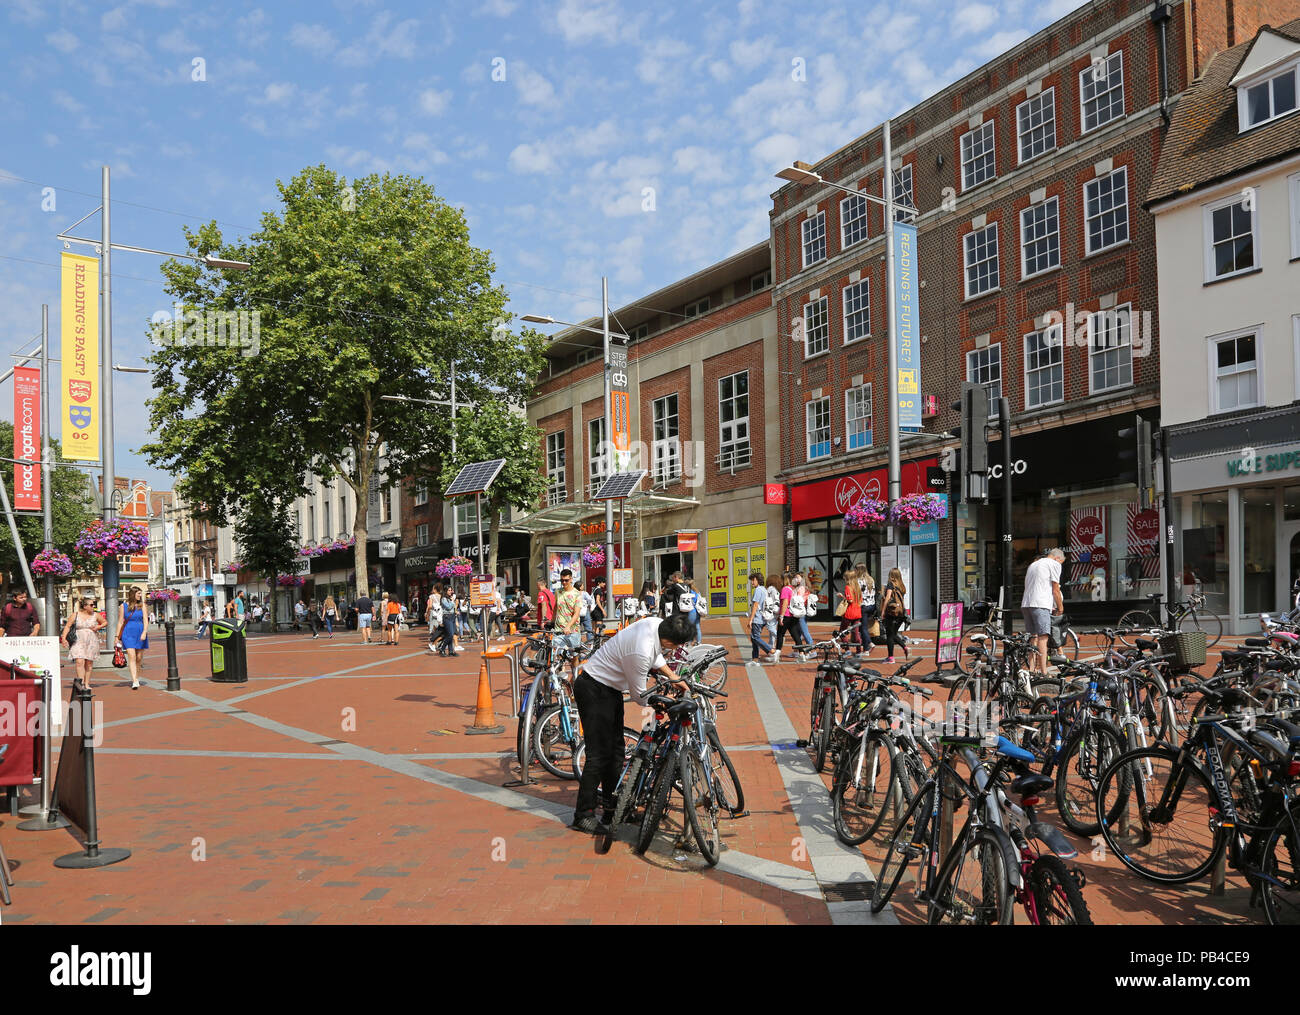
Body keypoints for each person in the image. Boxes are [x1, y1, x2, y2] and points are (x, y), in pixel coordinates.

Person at [570, 612, 695, 834]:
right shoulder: (641, 650)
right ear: (669, 641)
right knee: (598, 754)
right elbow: (640, 696)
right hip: (593, 688)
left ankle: (613, 808)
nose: (674, 650)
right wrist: (667, 702)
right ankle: (583, 815)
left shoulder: (657, 625)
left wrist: (673, 678)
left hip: (610, 689)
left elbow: (657, 656)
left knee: (616, 752)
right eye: (676, 646)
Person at [1021, 548, 1065, 673]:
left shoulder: (1033, 564)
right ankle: (1044, 672)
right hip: (1040, 603)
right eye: (1061, 562)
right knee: (1043, 637)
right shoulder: (1054, 564)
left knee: (1032, 637)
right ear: (1057, 558)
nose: (1060, 565)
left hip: (1026, 603)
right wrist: (1060, 607)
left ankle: (1031, 669)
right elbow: (1055, 589)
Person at [62, 597, 105, 689]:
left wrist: (98, 627)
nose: (93, 606)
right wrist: (64, 638)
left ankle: (87, 683)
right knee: (79, 661)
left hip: (91, 640)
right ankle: (81, 682)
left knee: (89, 662)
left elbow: (105, 622)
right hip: (78, 639)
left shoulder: (95, 615)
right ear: (85, 606)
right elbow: (68, 626)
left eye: (94, 604)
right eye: (91, 605)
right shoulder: (75, 615)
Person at [115, 585, 151, 690]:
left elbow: (145, 620)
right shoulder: (123, 606)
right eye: (139, 593)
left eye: (141, 593)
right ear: (133, 594)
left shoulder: (142, 605)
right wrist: (117, 636)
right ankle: (134, 680)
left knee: (139, 658)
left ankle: (137, 677)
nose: (140, 595)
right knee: (132, 656)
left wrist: (144, 632)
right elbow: (120, 621)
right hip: (127, 633)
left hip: (140, 632)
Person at [553, 569, 583, 677]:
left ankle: (575, 677)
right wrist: (551, 622)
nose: (564, 583)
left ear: (571, 579)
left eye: (566, 580)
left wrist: (568, 626)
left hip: (573, 631)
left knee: (574, 656)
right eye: (562, 580)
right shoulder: (558, 592)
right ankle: (562, 679)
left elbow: (577, 613)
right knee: (559, 654)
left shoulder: (577, 594)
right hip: (558, 630)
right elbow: (556, 608)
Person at [879, 567, 909, 664]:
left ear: (891, 576)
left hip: (891, 613)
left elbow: (887, 598)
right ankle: (905, 647)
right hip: (900, 613)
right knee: (893, 634)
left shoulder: (891, 585)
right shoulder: (902, 586)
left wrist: (883, 611)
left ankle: (891, 657)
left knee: (889, 635)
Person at [747, 570, 774, 662]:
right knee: (754, 637)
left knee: (755, 637)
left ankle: (770, 650)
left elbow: (755, 605)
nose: (752, 582)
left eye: (753, 580)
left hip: (757, 618)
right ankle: (755, 658)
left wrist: (751, 619)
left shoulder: (758, 590)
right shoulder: (764, 590)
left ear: (757, 580)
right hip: (763, 618)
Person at [838, 572, 862, 654]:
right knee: (856, 632)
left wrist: (842, 596)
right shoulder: (857, 587)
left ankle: (847, 649)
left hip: (849, 612)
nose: (844, 579)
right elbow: (860, 600)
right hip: (857, 611)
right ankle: (859, 650)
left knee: (842, 631)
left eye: (845, 578)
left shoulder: (848, 587)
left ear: (848, 578)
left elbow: (850, 600)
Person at [858, 567, 877, 657]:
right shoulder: (871, 579)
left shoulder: (859, 581)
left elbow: (858, 594)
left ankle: (869, 643)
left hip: (864, 606)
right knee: (864, 627)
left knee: (863, 628)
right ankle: (866, 650)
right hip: (872, 605)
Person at [678, 579, 700, 643]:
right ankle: (699, 642)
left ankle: (690, 641)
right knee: (697, 627)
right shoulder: (697, 591)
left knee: (689, 627)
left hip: (691, 610)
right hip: (698, 610)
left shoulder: (689, 592)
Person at [576, 580, 595, 644]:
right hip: (584, 612)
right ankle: (590, 642)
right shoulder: (584, 593)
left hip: (577, 612)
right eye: (582, 585)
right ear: (580, 587)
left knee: (577, 629)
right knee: (588, 627)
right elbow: (590, 600)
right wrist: (588, 605)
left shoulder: (574, 593)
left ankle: (577, 642)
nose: (583, 586)